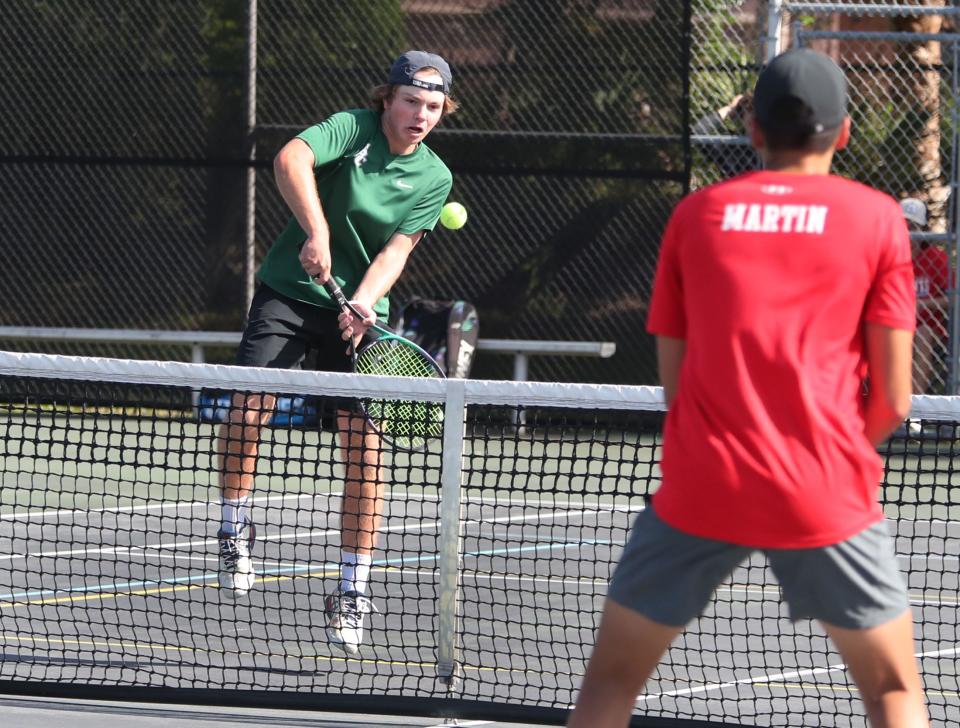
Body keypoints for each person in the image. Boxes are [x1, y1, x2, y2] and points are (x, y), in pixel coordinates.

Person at [569, 49, 928, 727]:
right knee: (894, 694)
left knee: (609, 688)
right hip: (825, 488)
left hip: (704, 482)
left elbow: (675, 388)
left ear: (753, 130)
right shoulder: (879, 218)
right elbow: (895, 400)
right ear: (844, 133)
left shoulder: (696, 216)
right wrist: (834, 458)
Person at [215, 50, 456, 655]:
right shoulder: (351, 129)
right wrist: (317, 233)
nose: (420, 115)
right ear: (388, 100)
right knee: (249, 408)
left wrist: (365, 303)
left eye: (432, 107)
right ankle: (233, 526)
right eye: (410, 102)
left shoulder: (435, 179)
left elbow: (397, 251)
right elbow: (290, 157)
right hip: (290, 294)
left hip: (356, 315)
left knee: (365, 450)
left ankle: (352, 588)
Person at [901, 197, 950, 394]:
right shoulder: (887, 256)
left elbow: (954, 297)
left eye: (913, 226)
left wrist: (921, 305)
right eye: (902, 226)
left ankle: (914, 408)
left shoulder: (935, 257)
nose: (908, 233)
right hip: (894, 324)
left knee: (923, 333)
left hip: (931, 328)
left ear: (922, 230)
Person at [692, 93, 761, 180]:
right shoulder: (731, 145)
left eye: (758, 111)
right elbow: (698, 132)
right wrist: (729, 109)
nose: (753, 115)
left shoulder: (776, 146)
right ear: (742, 116)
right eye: (749, 109)